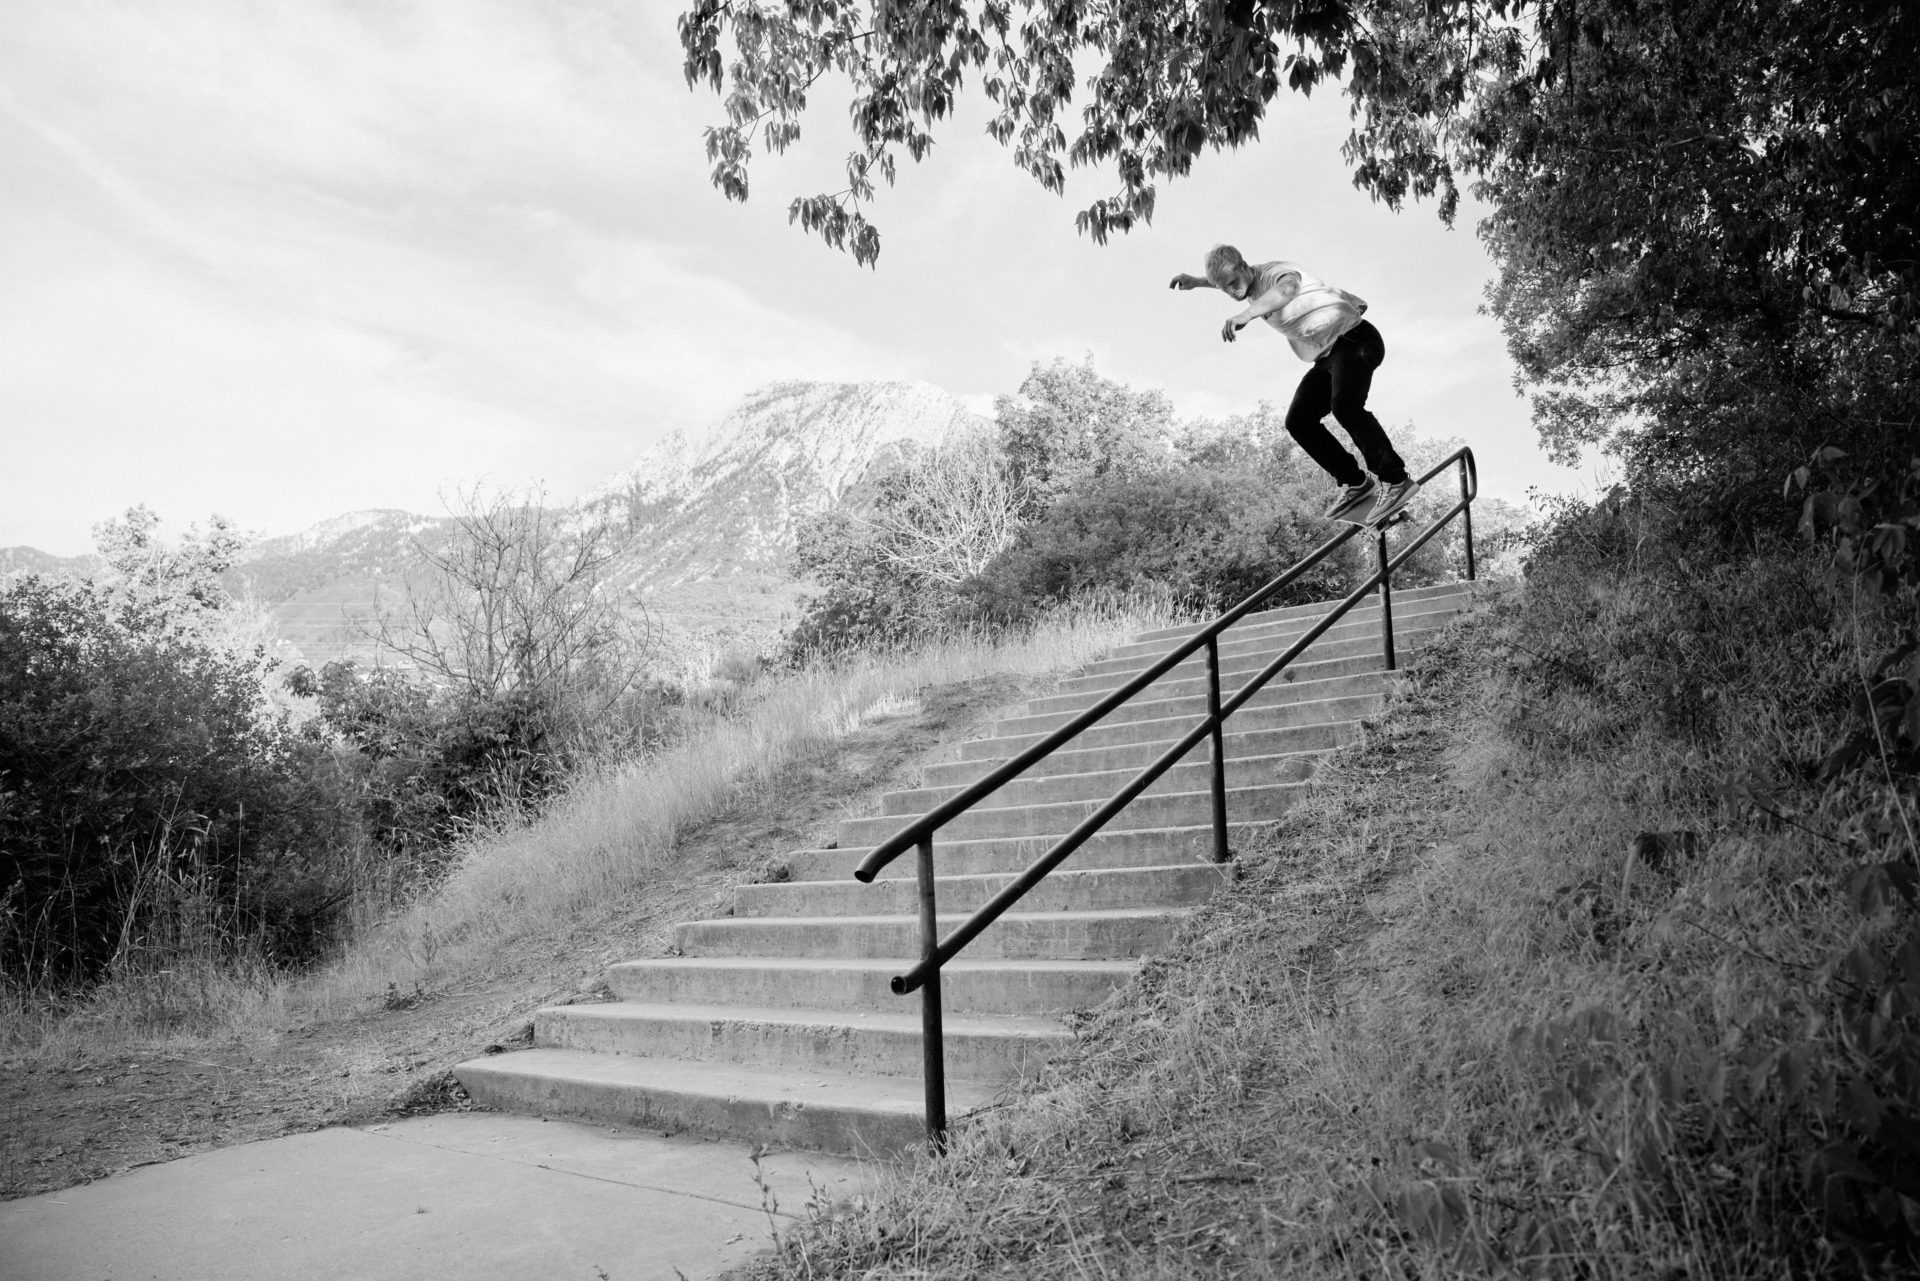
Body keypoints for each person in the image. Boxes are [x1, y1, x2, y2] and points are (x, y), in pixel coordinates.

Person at [1171, 244, 1419, 526]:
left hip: (1355, 339)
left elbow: (1287, 291)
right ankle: (1355, 482)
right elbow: (1226, 281)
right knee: (1299, 421)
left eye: (1232, 283)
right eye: (1223, 288)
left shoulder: (1275, 274)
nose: (1231, 292)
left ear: (1244, 265)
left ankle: (1395, 479)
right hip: (1327, 356)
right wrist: (1197, 282)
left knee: (1345, 406)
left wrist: (1247, 314)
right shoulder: (1240, 282)